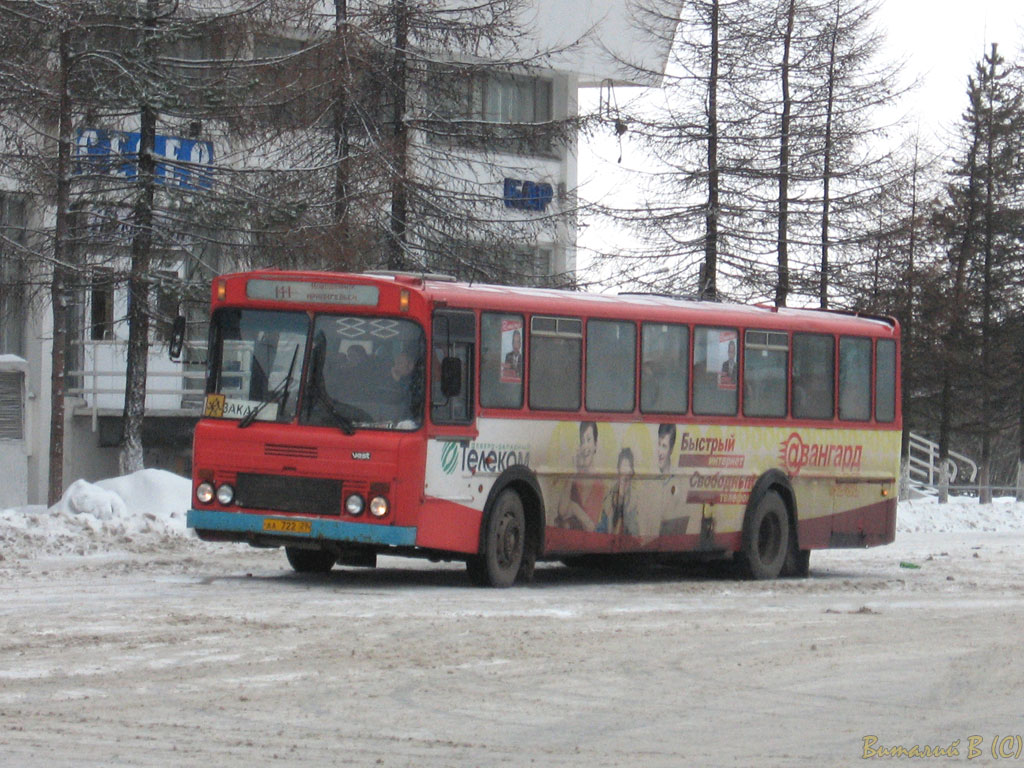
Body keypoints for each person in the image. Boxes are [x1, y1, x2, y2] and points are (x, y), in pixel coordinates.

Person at [554, 421, 605, 531]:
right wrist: (572, 472)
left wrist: (574, 508)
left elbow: (591, 528)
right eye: (582, 441)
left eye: (588, 440)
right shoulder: (575, 476)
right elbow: (562, 512)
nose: (585, 446)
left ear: (595, 445)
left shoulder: (599, 483)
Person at [598, 448, 638, 535]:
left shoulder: (636, 500)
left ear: (632, 472)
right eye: (622, 469)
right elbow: (601, 529)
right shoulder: (609, 499)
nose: (624, 477)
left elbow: (635, 533)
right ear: (618, 471)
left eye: (627, 469)